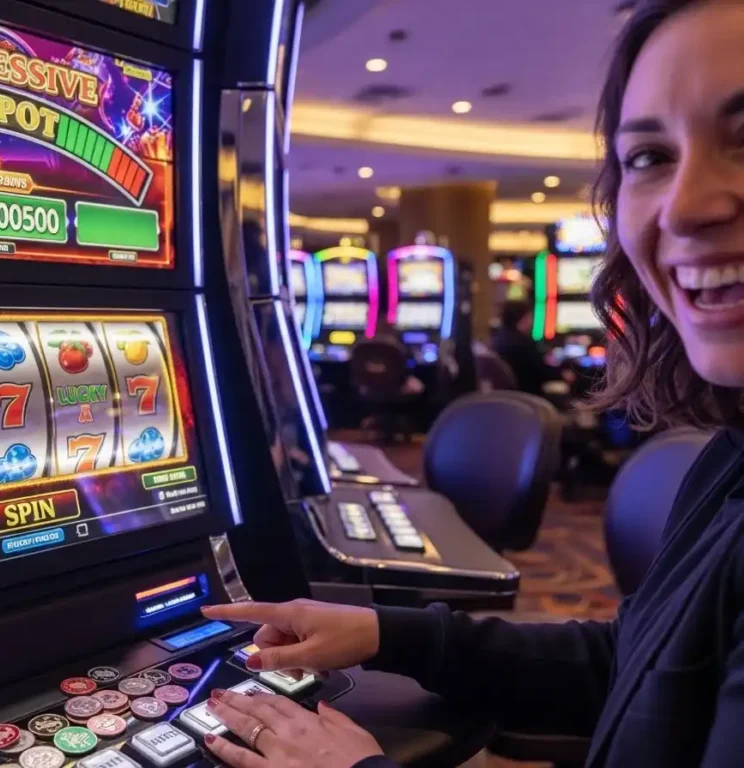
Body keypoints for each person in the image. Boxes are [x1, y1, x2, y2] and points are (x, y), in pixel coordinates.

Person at [197, 1, 744, 766]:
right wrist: (393, 633)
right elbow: (639, 664)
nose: (686, 206)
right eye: (650, 156)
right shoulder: (730, 459)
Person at [491, 300, 549, 395]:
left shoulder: (497, 339)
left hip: (502, 396)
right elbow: (542, 373)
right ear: (523, 318)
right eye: (530, 317)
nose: (532, 321)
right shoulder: (525, 343)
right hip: (528, 397)